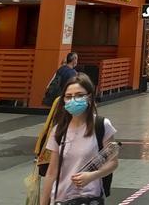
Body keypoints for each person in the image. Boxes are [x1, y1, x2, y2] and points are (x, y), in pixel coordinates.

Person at [40, 73, 118, 205]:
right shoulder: (58, 130)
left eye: (79, 95)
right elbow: (51, 172)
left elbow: (113, 162)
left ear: (89, 97)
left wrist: (93, 175)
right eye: (68, 96)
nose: (73, 100)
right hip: (61, 199)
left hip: (89, 198)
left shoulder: (102, 126)